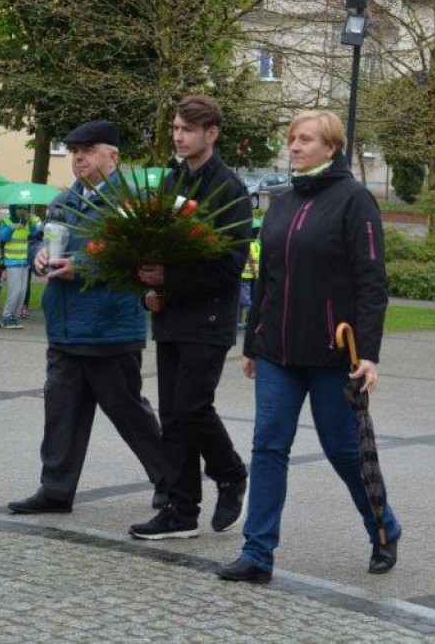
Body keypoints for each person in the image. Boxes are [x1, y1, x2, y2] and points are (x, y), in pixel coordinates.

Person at [216, 110, 401, 583]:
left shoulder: (354, 201)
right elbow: (265, 279)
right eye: (292, 139)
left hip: (332, 352)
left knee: (343, 450)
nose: (294, 147)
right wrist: (253, 340)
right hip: (277, 350)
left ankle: (382, 525)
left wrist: (370, 354)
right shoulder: (280, 203)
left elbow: (371, 283)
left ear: (332, 147)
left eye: (305, 140)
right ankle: (257, 553)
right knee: (268, 446)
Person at [8, 119, 167, 515]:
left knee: (129, 413)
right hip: (64, 326)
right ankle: (56, 490)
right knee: (60, 411)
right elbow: (37, 239)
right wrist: (38, 256)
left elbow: (137, 256)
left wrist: (83, 265)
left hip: (109, 327)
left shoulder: (130, 202)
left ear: (112, 157)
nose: (79, 157)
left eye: (88, 150)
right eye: (74, 150)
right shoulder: (64, 200)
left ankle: (170, 481)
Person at [129, 95, 252, 541]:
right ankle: (180, 512)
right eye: (176, 129)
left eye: (187, 129)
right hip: (172, 316)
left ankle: (231, 473)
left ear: (211, 133)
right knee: (173, 416)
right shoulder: (172, 181)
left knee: (193, 408)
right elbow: (156, 247)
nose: (178, 136)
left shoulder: (229, 189)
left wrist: (171, 277)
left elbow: (229, 265)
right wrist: (152, 289)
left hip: (210, 317)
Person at [0, 204, 41, 329]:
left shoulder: (28, 222)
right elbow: (4, 237)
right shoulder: (6, 221)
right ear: (13, 209)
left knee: (22, 292)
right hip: (12, 262)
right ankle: (7, 316)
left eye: (24, 209)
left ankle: (15, 317)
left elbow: (36, 235)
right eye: (19, 208)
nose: (22, 211)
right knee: (15, 291)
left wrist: (31, 223)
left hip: (25, 262)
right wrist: (13, 227)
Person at [237, 218, 261, 330]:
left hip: (247, 276)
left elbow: (252, 260)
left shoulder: (250, 244)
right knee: (247, 300)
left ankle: (250, 321)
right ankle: (247, 321)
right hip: (252, 276)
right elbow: (254, 260)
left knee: (245, 301)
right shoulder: (256, 244)